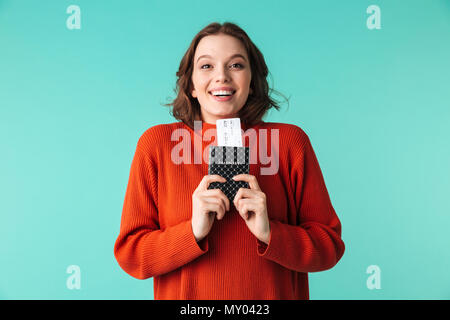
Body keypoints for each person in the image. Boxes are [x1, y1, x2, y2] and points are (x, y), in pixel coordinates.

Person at [114, 22, 345, 300]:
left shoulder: (289, 143)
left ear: (252, 79)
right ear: (190, 85)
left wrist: (271, 233)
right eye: (206, 66)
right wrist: (192, 232)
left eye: (236, 65)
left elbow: (329, 247)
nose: (221, 76)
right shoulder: (157, 144)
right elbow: (132, 255)